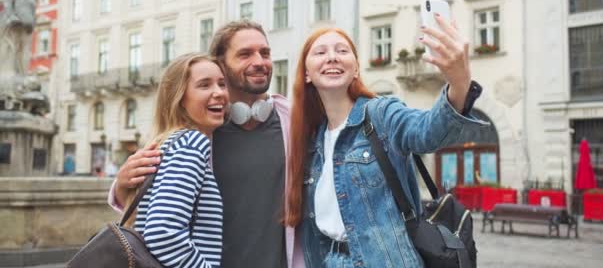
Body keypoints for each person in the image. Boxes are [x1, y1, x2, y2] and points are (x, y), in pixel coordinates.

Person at [284, 15, 485, 267]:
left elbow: (428, 131)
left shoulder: (381, 114)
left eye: (342, 50)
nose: (332, 57)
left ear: (356, 68)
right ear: (306, 74)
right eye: (320, 52)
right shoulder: (312, 140)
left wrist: (459, 81)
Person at [108, 21, 304, 268]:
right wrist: (122, 185)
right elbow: (160, 219)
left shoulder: (295, 120)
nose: (259, 62)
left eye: (265, 53)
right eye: (245, 54)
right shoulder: (198, 133)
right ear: (220, 63)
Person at [129, 53, 228, 267]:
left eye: (222, 84)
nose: (219, 93)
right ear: (179, 98)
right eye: (204, 85)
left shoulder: (167, 142)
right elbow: (163, 234)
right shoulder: (191, 144)